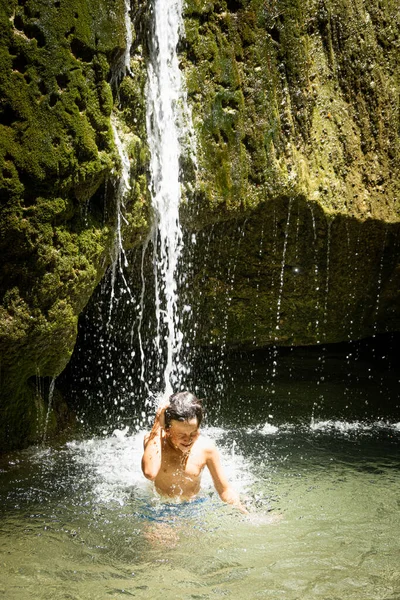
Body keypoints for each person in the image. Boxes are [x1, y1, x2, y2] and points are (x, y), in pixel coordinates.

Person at [141, 391, 247, 513]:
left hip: (194, 506)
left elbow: (224, 490)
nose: (188, 439)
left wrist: (240, 509)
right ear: (167, 430)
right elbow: (150, 473)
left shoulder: (206, 449)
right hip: (161, 507)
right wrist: (158, 422)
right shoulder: (155, 442)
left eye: (193, 433)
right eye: (181, 435)